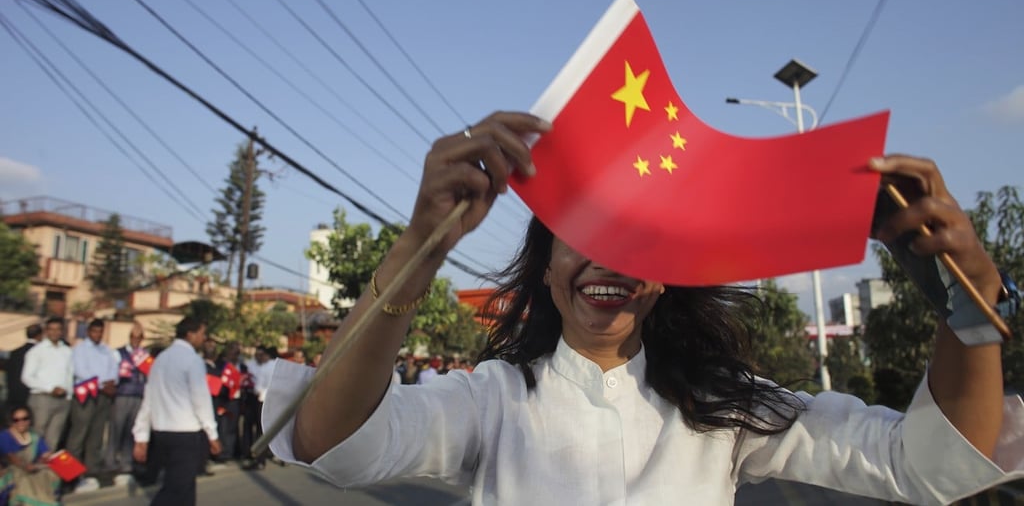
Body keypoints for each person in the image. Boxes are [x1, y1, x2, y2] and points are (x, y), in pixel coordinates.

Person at [264, 113, 1024, 504]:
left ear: (668, 275)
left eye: (639, 243)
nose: (609, 264)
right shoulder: (491, 400)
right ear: (546, 263)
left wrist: (967, 307)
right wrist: (416, 251)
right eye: (583, 235)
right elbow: (336, 444)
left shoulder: (725, 408)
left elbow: (923, 466)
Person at [132, 317, 221, 506]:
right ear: (191, 334)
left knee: (186, 487)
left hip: (162, 431)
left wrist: (141, 436)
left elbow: (149, 399)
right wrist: (212, 434)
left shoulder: (160, 359)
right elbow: (201, 400)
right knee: (176, 488)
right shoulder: (192, 360)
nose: (203, 338)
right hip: (184, 432)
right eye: (201, 333)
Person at [66, 319, 118, 480]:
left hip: (103, 396)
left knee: (97, 432)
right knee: (80, 432)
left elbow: (114, 369)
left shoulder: (107, 350)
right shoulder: (80, 349)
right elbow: (81, 371)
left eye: (100, 331)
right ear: (88, 332)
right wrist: (103, 383)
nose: (98, 334)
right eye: (94, 331)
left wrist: (111, 382)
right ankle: (72, 471)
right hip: (86, 394)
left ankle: (91, 468)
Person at [21, 317, 72, 453]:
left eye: (58, 329)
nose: (55, 332)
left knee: (54, 437)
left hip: (63, 401)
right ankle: (31, 467)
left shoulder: (67, 351)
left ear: (62, 331)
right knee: (37, 435)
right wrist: (50, 389)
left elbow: (70, 375)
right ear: (46, 331)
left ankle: (46, 470)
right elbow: (26, 377)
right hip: (42, 399)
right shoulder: (36, 351)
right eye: (51, 329)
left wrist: (69, 395)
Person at [106, 323, 148, 474]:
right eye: (133, 337)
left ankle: (126, 461)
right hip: (122, 393)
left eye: (139, 337)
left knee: (132, 430)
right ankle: (110, 460)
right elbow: (112, 371)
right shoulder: (118, 353)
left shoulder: (145, 354)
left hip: (138, 394)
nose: (136, 340)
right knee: (117, 428)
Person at [0, 405, 61, 505]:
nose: (21, 422)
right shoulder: (4, 436)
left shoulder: (34, 436)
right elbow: (11, 457)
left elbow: (45, 453)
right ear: (11, 421)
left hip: (32, 467)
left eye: (25, 419)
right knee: (23, 478)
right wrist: (25, 466)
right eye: (17, 420)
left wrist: (47, 458)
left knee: (49, 473)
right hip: (11, 469)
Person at [5, 324, 42, 410]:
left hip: (14, 393)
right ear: (40, 335)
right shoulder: (40, 352)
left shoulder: (15, 352)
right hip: (32, 394)